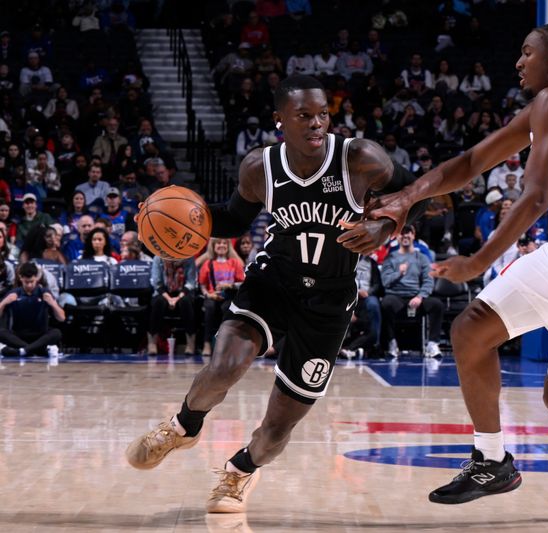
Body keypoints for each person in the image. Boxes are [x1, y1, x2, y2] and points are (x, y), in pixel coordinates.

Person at [361, 23, 548, 515]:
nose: (519, 63)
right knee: (471, 330)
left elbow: (537, 196)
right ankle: (491, 460)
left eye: (527, 53)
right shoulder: (546, 106)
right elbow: (473, 160)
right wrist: (406, 196)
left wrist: (478, 262)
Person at [125, 75, 427, 514]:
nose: (316, 123)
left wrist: (385, 224)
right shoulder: (259, 167)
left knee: (277, 428)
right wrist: (164, 217)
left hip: (330, 298)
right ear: (279, 120)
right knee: (225, 365)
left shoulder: (360, 158)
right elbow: (230, 218)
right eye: (304, 115)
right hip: (274, 279)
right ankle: (184, 425)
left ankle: (241, 469)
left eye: (323, 114)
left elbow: (418, 193)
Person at [380, 224, 444, 358]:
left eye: (409, 233)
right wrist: (399, 273)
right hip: (396, 297)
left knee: (437, 305)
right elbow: (385, 282)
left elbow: (429, 280)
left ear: (413, 236)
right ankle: (392, 342)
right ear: (397, 237)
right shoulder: (390, 258)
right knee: (386, 304)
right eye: (403, 233)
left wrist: (420, 297)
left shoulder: (422, 258)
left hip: (416, 298)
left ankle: (432, 344)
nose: (405, 235)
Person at [0, 261, 65, 357]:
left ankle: (22, 351)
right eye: (26, 282)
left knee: (56, 333)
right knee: (1, 332)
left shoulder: (44, 293)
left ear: (37, 278)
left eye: (32, 282)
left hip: (40, 336)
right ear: (21, 278)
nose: (29, 285)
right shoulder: (14, 293)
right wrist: (3, 303)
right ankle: (34, 349)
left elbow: (62, 318)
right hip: (19, 336)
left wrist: (53, 304)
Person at [198, 238, 245, 357]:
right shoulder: (208, 263)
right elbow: (202, 285)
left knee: (227, 308)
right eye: (218, 243)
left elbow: (242, 283)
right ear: (213, 246)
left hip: (229, 296)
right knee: (209, 308)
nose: (221, 245)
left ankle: (226, 344)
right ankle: (207, 343)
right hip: (212, 296)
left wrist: (230, 285)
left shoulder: (235, 262)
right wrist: (208, 294)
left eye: (224, 243)